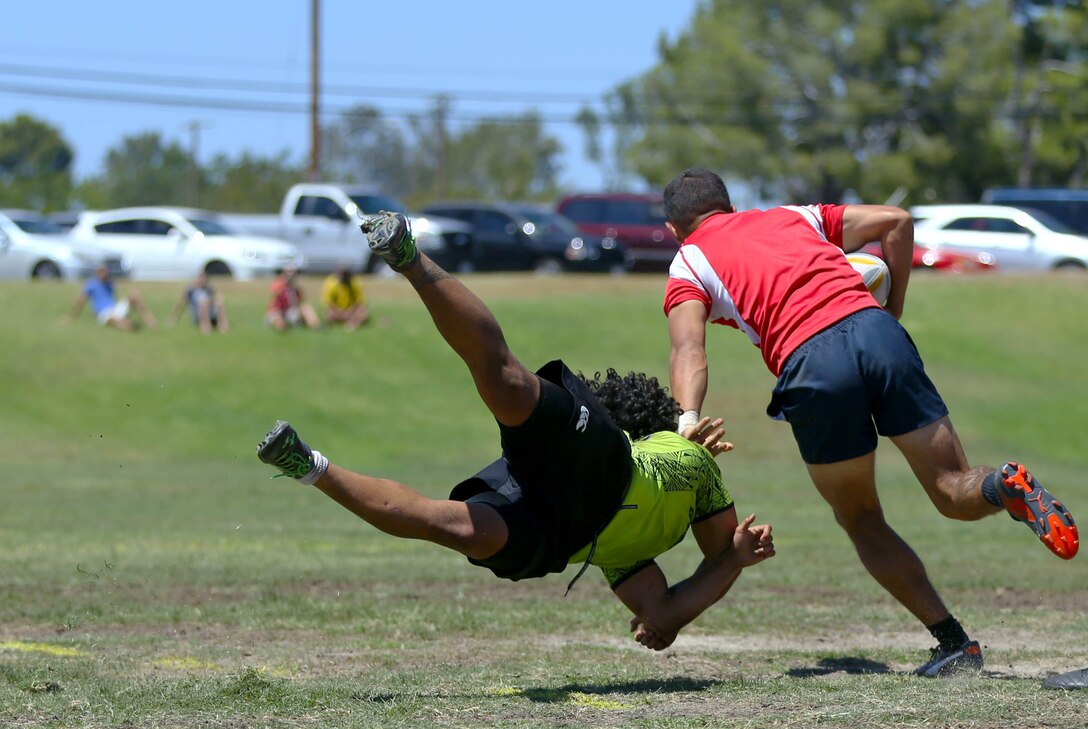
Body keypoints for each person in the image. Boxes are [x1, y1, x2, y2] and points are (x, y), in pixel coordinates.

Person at [256, 211, 775, 651]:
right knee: (499, 394)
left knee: (452, 512)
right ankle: (407, 258)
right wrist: (731, 559)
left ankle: (308, 464)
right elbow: (685, 591)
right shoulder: (691, 459)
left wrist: (724, 563)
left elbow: (661, 619)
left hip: (564, 527)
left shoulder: (624, 557)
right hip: (603, 469)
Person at [660, 168, 1078, 677]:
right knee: (952, 488)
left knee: (860, 517)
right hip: (878, 333)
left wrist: (688, 419)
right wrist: (892, 309)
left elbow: (688, 348)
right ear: (729, 204)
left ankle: (955, 644)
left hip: (812, 361)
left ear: (674, 229)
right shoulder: (792, 216)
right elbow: (896, 221)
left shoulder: (689, 259)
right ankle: (1001, 487)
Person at [68, 265, 157, 332]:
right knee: (112, 320)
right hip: (103, 313)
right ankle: (129, 325)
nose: (102, 274)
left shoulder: (110, 284)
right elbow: (81, 300)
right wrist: (72, 316)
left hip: (115, 309)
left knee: (133, 294)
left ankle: (150, 322)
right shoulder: (92, 284)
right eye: (100, 271)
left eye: (104, 271)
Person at [320, 267, 370, 331]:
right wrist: (339, 313)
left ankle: (350, 323)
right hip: (337, 310)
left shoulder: (355, 283)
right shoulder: (331, 283)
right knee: (329, 313)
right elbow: (329, 303)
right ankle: (348, 322)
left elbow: (359, 303)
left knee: (363, 312)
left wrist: (349, 312)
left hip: (352, 310)